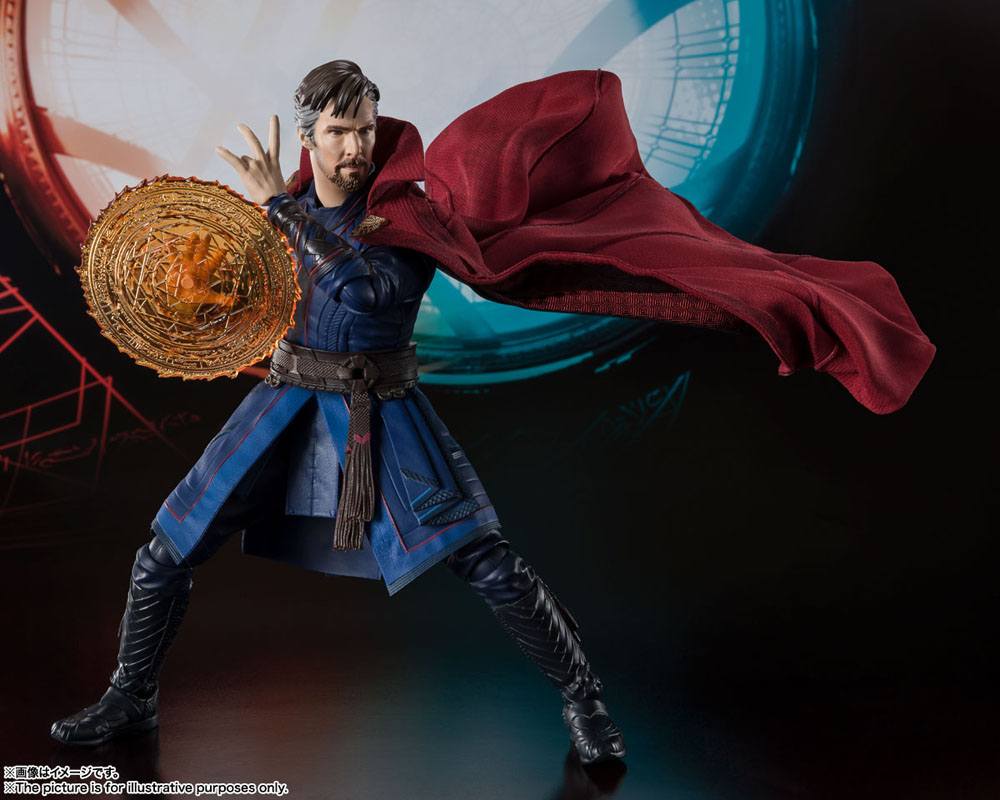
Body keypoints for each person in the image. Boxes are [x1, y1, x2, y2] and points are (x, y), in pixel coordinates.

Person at [49, 60, 626, 766]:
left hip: (378, 408)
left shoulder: (406, 214)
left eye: (366, 130)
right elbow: (262, 296)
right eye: (339, 131)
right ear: (308, 138)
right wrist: (200, 290)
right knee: (166, 547)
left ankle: (585, 701)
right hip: (285, 403)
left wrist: (279, 210)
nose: (356, 147)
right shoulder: (289, 206)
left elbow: (368, 295)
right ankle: (130, 695)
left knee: (487, 560)